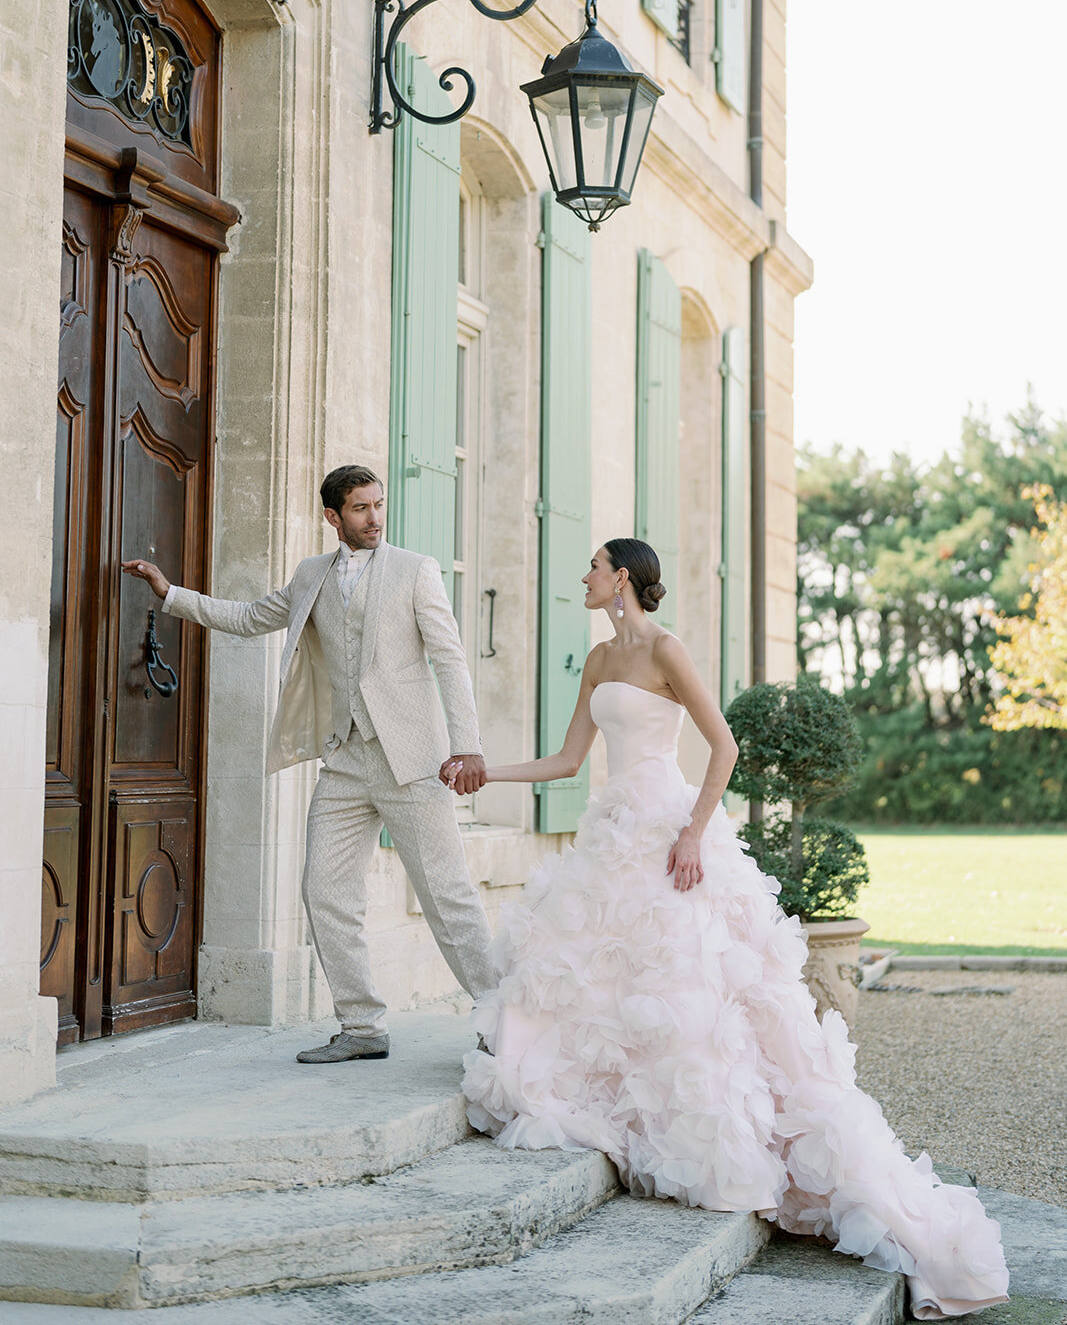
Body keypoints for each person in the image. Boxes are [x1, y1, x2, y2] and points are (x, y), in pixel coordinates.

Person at [456, 538, 1009, 1321]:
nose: (581, 577)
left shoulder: (665, 650)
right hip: (614, 834)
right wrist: (485, 770)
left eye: (592, 566)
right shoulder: (598, 660)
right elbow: (567, 760)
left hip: (671, 834)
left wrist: (691, 832)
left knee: (691, 991)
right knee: (602, 980)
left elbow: (724, 744)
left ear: (623, 578)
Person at [122, 465, 496, 1063]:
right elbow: (248, 619)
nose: (374, 519)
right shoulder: (310, 576)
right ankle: (362, 1026)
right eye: (360, 509)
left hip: (412, 760)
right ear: (332, 517)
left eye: (379, 505)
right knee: (322, 889)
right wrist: (172, 596)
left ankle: (504, 1021)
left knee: (447, 896)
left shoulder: (415, 571)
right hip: (344, 758)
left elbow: (450, 662)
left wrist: (468, 745)